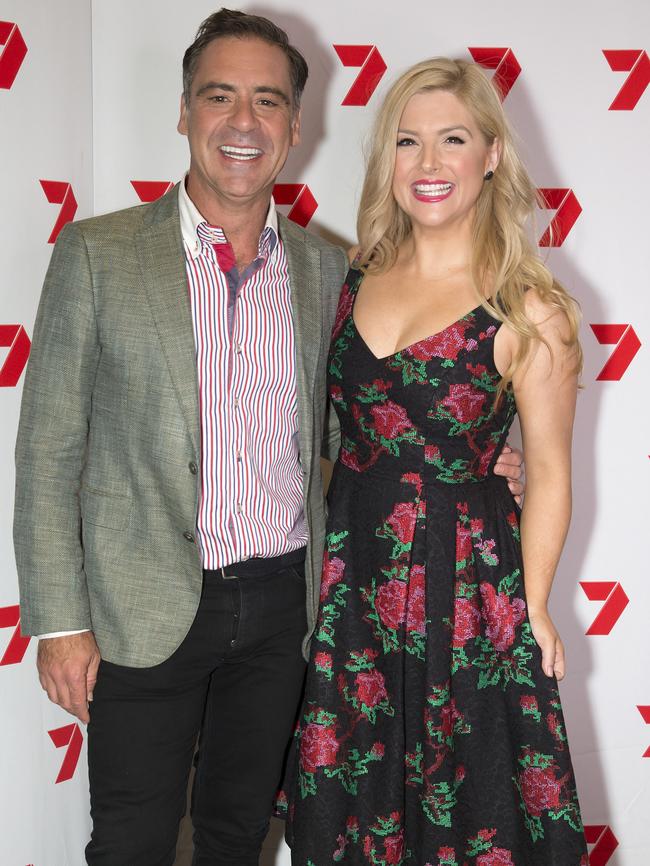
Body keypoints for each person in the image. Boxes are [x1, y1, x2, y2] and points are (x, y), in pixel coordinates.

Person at [13, 11, 523, 865]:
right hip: (143, 607)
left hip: (288, 608)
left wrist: (471, 451)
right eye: (219, 97)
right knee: (131, 841)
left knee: (239, 834)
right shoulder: (98, 256)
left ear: (294, 125)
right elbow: (47, 450)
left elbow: (355, 421)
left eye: (267, 101)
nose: (242, 123)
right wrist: (58, 621)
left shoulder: (331, 272)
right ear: (184, 112)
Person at [283, 58, 587, 865]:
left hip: (470, 591)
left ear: (490, 153)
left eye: (451, 139)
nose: (427, 164)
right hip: (349, 583)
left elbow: (550, 470)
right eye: (407, 142)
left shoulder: (530, 308)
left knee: (472, 807)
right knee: (352, 808)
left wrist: (540, 603)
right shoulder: (350, 278)